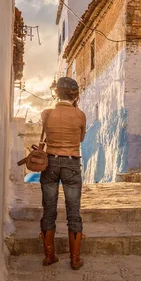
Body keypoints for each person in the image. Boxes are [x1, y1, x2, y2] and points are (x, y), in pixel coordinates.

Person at [39, 77, 87, 270]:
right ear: (75, 95)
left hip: (49, 163)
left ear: (56, 93)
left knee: (48, 210)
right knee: (73, 213)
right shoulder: (80, 115)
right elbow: (81, 138)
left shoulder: (46, 113)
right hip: (71, 164)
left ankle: (49, 255)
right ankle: (75, 259)